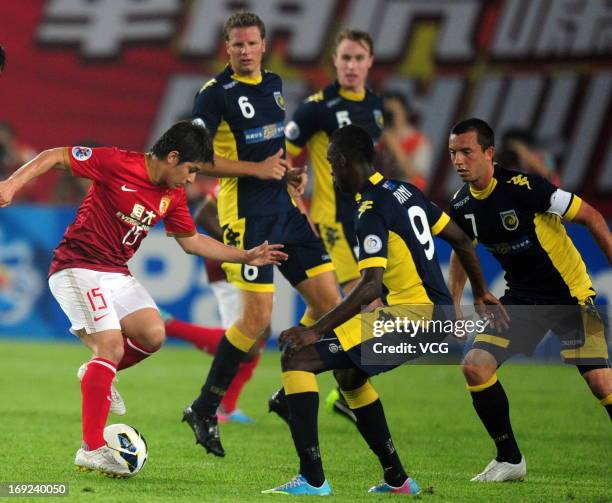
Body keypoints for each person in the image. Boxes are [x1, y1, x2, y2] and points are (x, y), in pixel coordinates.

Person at [0, 120, 287, 477]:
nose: (192, 180)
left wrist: (244, 255)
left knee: (153, 335)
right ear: (172, 156)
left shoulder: (173, 193)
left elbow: (192, 241)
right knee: (110, 346)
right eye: (191, 170)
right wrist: (11, 185)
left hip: (116, 272)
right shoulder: (116, 162)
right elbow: (54, 156)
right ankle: (91, 448)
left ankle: (98, 374)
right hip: (77, 266)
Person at [263, 124, 502, 495]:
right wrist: (480, 291)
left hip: (414, 319)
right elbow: (459, 238)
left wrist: (317, 330)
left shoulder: (370, 209)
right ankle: (397, 479)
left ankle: (312, 479)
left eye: (330, 166)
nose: (329, 175)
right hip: (427, 316)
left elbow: (371, 284)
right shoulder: (405, 190)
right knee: (350, 378)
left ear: (343, 162)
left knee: (298, 357)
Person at [185, 11, 342, 457]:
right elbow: (196, 160)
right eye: (237, 45)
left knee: (333, 308)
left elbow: (269, 147)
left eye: (252, 43)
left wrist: (287, 174)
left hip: (286, 211)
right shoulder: (213, 96)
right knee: (255, 323)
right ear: (227, 48)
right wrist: (257, 170)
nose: (246, 51)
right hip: (246, 217)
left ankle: (289, 390)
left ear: (264, 44)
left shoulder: (273, 84)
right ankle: (205, 406)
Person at [447, 118, 612, 482]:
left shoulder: (525, 188)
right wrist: (458, 303)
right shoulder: (461, 205)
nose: (459, 161)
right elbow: (461, 250)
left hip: (571, 295)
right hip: (522, 301)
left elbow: (593, 216)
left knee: (601, 384)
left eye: (467, 152)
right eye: (453, 153)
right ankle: (509, 460)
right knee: (475, 365)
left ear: (489, 153)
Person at [284, 29, 383, 294]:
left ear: (370, 60)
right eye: (346, 58)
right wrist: (299, 207)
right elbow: (283, 154)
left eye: (359, 58)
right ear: (335, 60)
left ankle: (306, 335)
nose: (352, 65)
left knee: (335, 308)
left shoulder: (374, 105)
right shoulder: (316, 108)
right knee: (364, 300)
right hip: (334, 220)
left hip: (369, 214)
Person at [165, 181, 266, 423]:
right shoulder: (244, 175)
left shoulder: (271, 173)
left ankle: (226, 407)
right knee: (245, 335)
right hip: (236, 261)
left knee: (258, 332)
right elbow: (204, 214)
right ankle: (168, 326)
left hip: (252, 260)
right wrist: (239, 250)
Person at [376, 91, 432, 191]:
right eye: (385, 112)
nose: (389, 117)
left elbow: (415, 175)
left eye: (392, 112)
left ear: (405, 113)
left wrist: (394, 146)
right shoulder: (377, 138)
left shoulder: (418, 141)